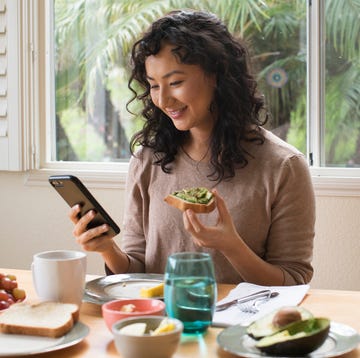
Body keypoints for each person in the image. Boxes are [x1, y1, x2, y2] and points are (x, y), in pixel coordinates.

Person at [69, 9, 315, 285]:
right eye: (153, 85)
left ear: (217, 76)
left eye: (175, 82)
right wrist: (107, 249)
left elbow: (294, 279)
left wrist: (232, 246)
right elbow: (139, 271)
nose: (163, 99)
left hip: (240, 326)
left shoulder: (283, 166)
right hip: (162, 325)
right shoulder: (148, 160)